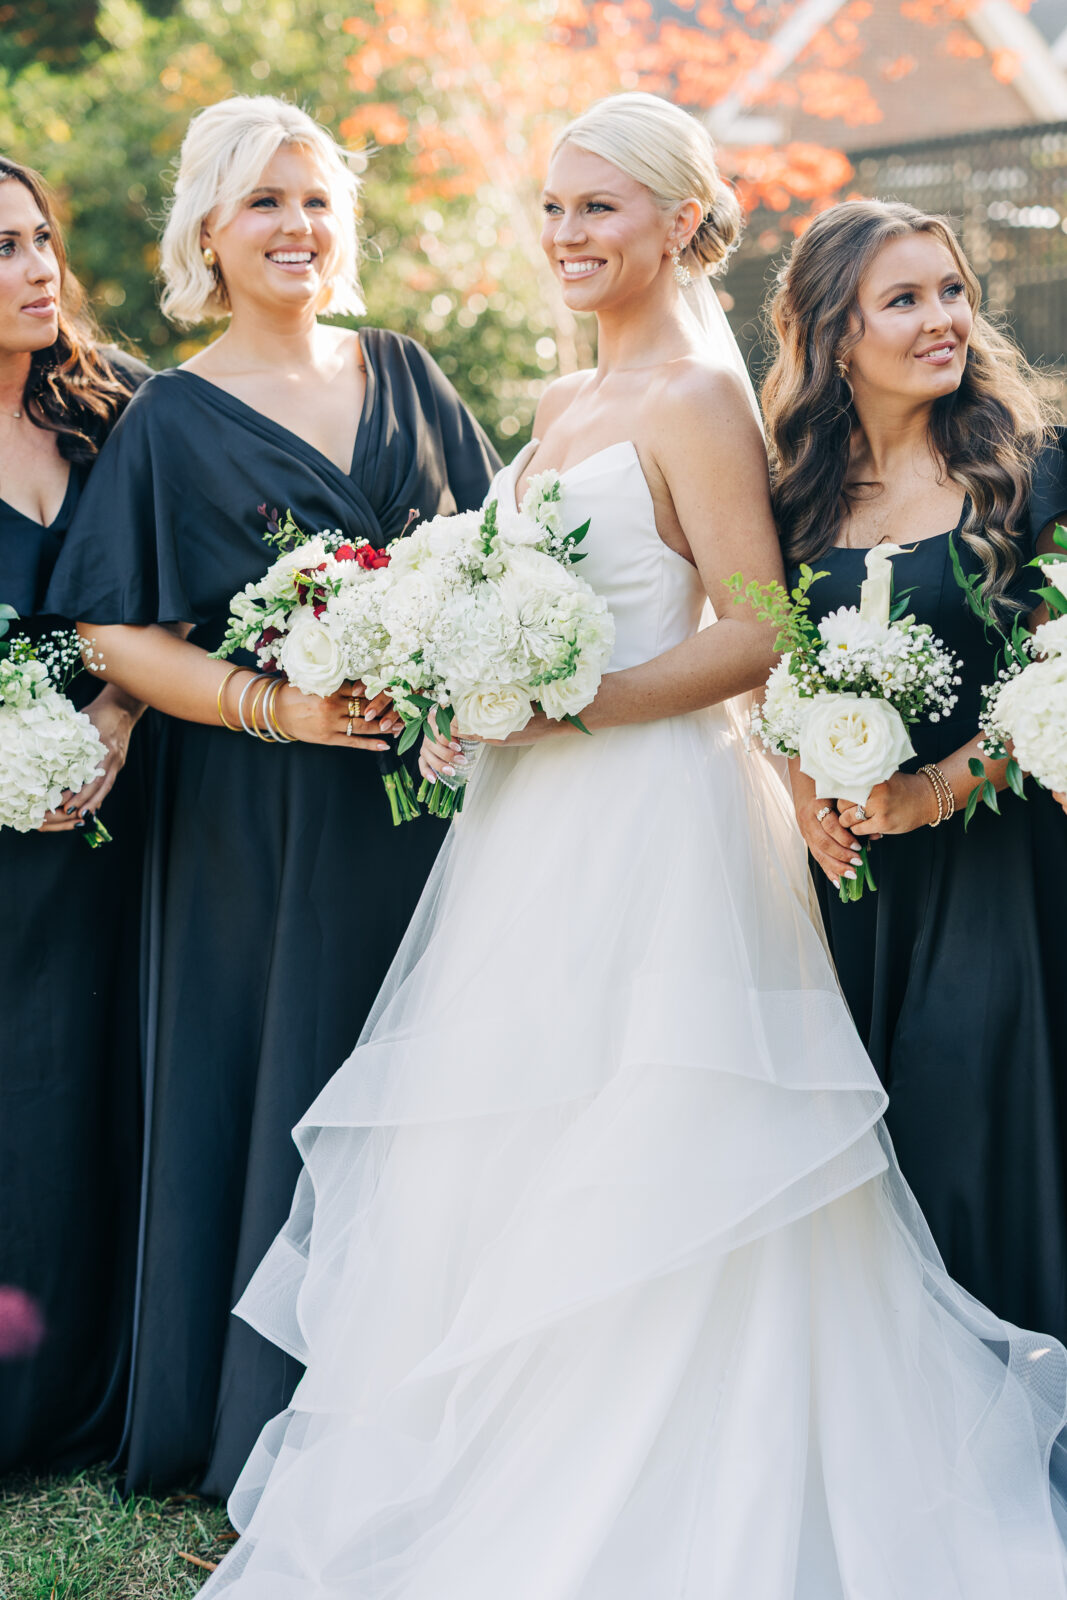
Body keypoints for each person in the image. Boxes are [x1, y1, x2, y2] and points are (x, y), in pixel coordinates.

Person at [201, 96, 1067, 1598]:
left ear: (679, 219)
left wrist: (574, 700)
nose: (564, 237)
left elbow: (755, 633)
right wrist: (456, 678)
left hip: (658, 819)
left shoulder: (693, 396)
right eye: (549, 209)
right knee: (523, 1132)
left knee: (657, 1128)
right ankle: (501, 1445)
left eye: (597, 207)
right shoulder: (552, 411)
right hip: (530, 829)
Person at [43, 96, 498, 1497]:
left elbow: (497, 556)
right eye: (263, 204)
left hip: (428, 810)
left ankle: (440, 1409)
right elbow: (115, 632)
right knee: (285, 1079)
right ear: (208, 234)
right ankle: (268, 1415)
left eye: (313, 201)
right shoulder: (170, 418)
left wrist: (466, 691)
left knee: (434, 1083)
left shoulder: (412, 377)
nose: (295, 227)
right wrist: (277, 704)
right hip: (256, 822)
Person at [767, 199, 1067, 1346]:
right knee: (870, 1142)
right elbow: (762, 666)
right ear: (834, 336)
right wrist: (800, 777)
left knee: (972, 1119)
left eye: (949, 291)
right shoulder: (790, 495)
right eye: (903, 299)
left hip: (999, 866)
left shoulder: (1029, 475)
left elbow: (1052, 676)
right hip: (846, 891)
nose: (942, 319)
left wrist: (934, 789)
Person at [0, 157, 149, 1471]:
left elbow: (191, 594)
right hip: (5, 857)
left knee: (109, 1091)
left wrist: (115, 716)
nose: (40, 267)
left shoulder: (116, 418)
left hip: (130, 826)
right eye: (4, 249)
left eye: (42, 238)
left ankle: (108, 1381)